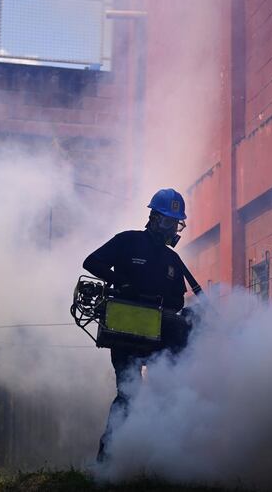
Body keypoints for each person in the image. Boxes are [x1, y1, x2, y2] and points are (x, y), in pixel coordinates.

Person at [83, 188, 188, 462]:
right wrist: (121, 281)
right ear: (153, 217)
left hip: (158, 337)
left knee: (164, 395)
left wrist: (163, 302)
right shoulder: (127, 242)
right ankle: (106, 464)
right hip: (125, 332)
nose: (170, 229)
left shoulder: (173, 261)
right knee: (129, 395)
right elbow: (91, 262)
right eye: (166, 221)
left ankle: (152, 461)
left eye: (175, 223)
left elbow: (178, 301)